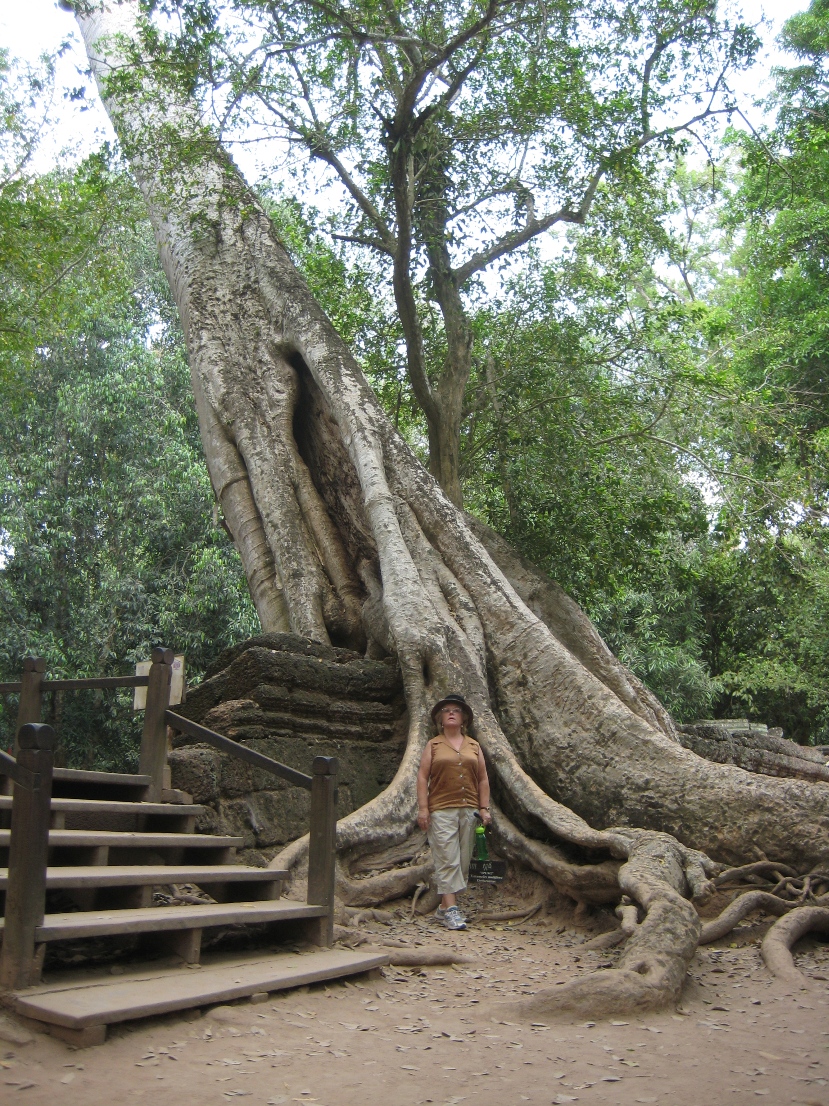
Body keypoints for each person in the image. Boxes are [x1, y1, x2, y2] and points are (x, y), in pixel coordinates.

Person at [416, 693, 492, 930]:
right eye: (446, 710)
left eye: (456, 710)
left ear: (463, 719)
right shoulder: (434, 745)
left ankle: (442, 908)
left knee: (463, 862)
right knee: (447, 858)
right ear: (440, 719)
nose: (451, 713)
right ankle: (451, 909)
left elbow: (482, 779)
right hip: (441, 810)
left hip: (469, 809)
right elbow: (422, 776)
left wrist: (484, 808)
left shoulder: (474, 746)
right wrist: (423, 809)